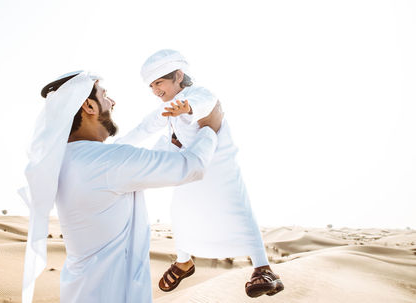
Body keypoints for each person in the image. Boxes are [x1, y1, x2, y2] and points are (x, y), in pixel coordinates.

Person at [19, 70, 224, 303]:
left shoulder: (70, 160)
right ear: (89, 106)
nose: (112, 102)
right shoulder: (104, 161)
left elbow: (132, 170)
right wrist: (209, 127)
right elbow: (193, 166)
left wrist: (174, 142)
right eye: (104, 95)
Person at [115, 49, 284, 298]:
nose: (155, 90)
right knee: (180, 211)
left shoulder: (196, 95)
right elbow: (144, 128)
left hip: (220, 167)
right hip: (193, 168)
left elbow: (205, 103)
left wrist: (188, 108)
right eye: (151, 86)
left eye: (159, 83)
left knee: (239, 211)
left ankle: (263, 269)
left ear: (178, 76)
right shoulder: (170, 107)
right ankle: (184, 262)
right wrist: (112, 149)